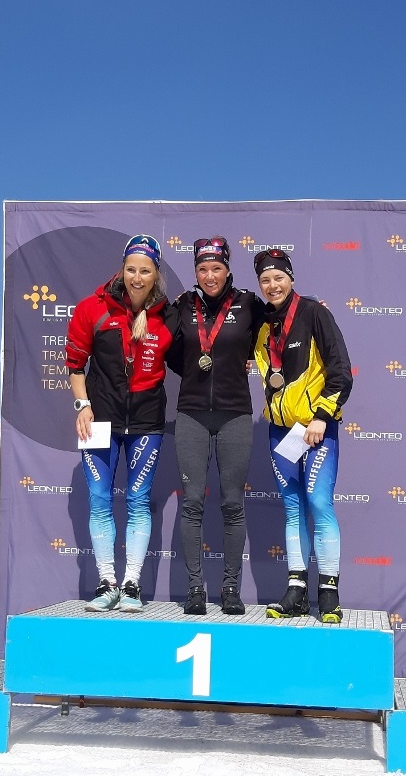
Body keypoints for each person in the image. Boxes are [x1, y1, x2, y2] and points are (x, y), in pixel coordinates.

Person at [65, 234, 176, 613]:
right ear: (122, 269)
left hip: (146, 422)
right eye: (131, 269)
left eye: (145, 270)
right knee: (99, 501)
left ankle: (132, 585)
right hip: (100, 421)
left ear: (156, 273)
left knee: (138, 501)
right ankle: (106, 582)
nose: (137, 277)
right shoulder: (91, 309)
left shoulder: (168, 314)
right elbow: (75, 364)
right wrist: (82, 405)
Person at [252, 247, 353, 623]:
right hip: (281, 432)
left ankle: (328, 592)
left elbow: (341, 370)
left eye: (279, 277)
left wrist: (322, 416)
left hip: (316, 428)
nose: (272, 285)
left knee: (320, 503)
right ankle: (296, 590)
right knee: (292, 507)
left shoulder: (314, 313)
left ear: (291, 278)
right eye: (265, 280)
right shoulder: (262, 325)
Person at [168, 236, 267, 615]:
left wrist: (314, 312)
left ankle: (230, 588)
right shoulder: (182, 305)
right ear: (196, 271)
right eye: (202, 269)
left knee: (232, 504)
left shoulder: (248, 304)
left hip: (235, 413)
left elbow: (282, 321)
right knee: (192, 503)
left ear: (228, 269)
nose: (209, 276)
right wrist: (197, 371)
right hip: (192, 413)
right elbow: (169, 351)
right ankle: (195, 589)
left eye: (216, 268)